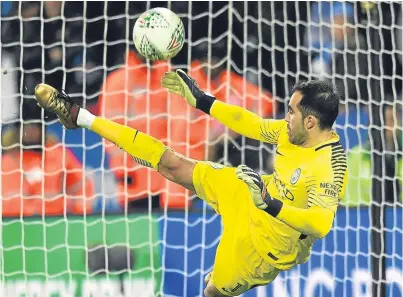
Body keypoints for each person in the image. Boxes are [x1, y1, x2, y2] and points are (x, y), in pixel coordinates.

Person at [33, 69, 347, 297]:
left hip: (264, 249)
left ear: (310, 122)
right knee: (173, 164)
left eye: (291, 112)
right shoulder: (293, 130)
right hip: (250, 194)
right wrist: (202, 100)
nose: (285, 116)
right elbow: (250, 123)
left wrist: (272, 204)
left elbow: (320, 224)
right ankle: (81, 117)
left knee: (212, 293)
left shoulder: (329, 165)